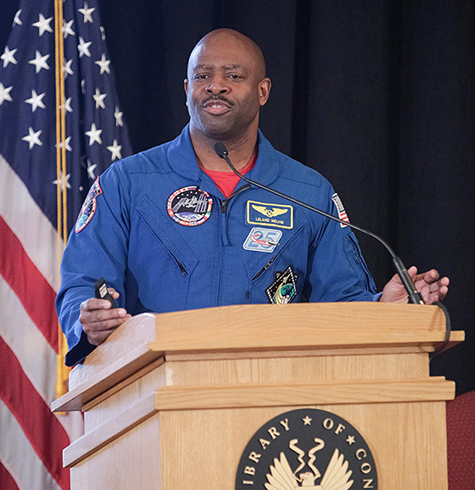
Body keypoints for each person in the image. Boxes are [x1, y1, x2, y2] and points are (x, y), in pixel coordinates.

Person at [56, 29, 449, 366]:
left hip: (272, 400)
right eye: (202, 75)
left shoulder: (308, 192)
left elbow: (342, 303)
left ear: (262, 91)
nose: (216, 85)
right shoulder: (128, 182)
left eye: (234, 75)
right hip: (153, 395)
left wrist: (383, 309)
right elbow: (82, 286)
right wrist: (85, 320)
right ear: (187, 89)